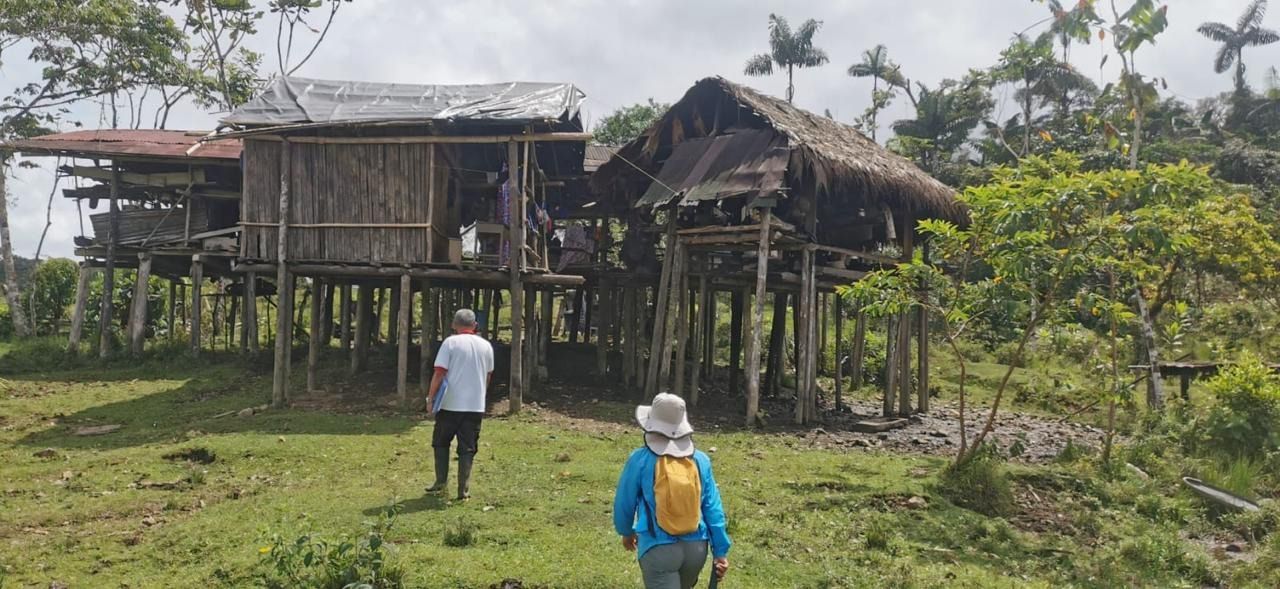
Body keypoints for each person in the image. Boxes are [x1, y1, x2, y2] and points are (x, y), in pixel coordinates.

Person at [613, 393, 731, 589]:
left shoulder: (640, 459)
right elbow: (713, 508)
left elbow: (624, 502)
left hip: (658, 549)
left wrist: (626, 532)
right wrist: (720, 551)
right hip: (697, 549)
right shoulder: (700, 461)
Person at [425, 309, 494, 500]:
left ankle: (440, 482)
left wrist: (430, 398)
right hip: (474, 406)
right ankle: (463, 490)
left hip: (449, 404)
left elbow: (439, 373)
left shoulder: (450, 343)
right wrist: (481, 395)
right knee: (468, 447)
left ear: (454, 325)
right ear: (475, 325)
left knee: (440, 442)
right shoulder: (486, 346)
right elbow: (488, 375)